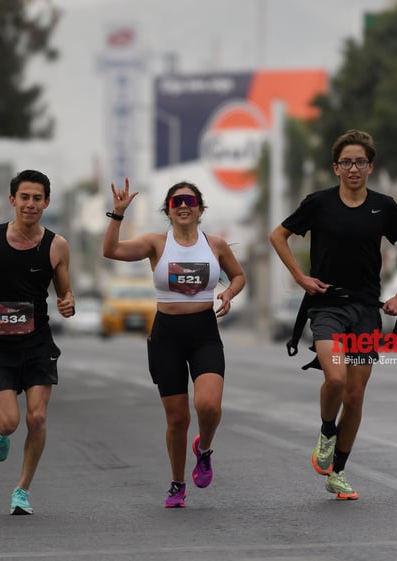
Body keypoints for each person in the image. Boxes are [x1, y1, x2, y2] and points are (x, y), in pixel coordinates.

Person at [269, 129, 397, 500]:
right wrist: (300, 277)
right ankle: (326, 430)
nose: (353, 168)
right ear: (335, 167)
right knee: (335, 378)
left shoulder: (384, 206)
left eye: (360, 162)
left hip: (366, 310)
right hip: (327, 305)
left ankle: (337, 471)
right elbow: (278, 235)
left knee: (355, 395)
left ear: (370, 167)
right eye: (346, 162)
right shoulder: (319, 203)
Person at [103, 179, 246, 508]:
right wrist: (118, 214)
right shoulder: (156, 243)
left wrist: (228, 292)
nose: (183, 205)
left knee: (208, 405)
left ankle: (204, 449)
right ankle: (177, 483)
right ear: (168, 210)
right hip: (167, 335)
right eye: (176, 201)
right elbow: (111, 250)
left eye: (190, 201)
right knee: (177, 418)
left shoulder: (216, 245)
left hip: (204, 332)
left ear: (200, 209)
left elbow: (238, 276)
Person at [0, 169, 75, 516]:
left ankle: (22, 490)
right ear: (12, 200)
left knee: (37, 418)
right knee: (10, 422)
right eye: (24, 197)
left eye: (37, 198)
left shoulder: (56, 245)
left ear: (46, 203)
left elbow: (65, 291)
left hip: (38, 342)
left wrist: (67, 302)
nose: (30, 204)